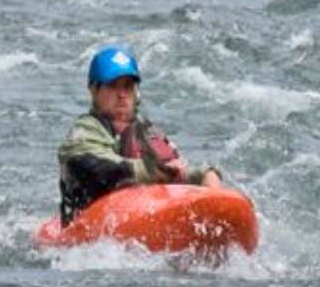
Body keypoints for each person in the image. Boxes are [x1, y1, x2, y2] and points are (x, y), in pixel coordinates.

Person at [59, 46, 226, 223]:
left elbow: (172, 169)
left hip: (141, 214)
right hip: (89, 223)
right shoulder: (83, 132)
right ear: (94, 90)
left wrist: (203, 175)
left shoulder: (147, 131)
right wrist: (147, 170)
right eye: (113, 86)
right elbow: (93, 168)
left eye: (128, 87)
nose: (122, 95)